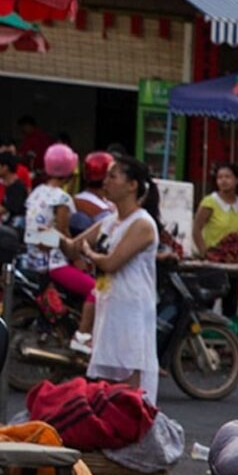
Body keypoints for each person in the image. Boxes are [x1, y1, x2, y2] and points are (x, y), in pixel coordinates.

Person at [60, 155, 160, 405]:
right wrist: (52, 229)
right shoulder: (109, 221)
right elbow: (73, 247)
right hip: (109, 304)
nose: (106, 182)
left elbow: (111, 262)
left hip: (132, 307)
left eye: (113, 176)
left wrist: (89, 253)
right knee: (109, 378)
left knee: (130, 373)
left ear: (132, 185)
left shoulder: (142, 224)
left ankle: (131, 425)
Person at [24, 143, 78, 274]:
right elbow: (63, 234)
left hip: (30, 259)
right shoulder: (62, 198)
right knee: (92, 290)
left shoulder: (37, 192)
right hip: (53, 263)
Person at [195, 164, 238, 256]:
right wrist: (204, 253)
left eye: (227, 177)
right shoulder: (210, 202)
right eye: (219, 177)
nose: (223, 181)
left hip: (235, 257)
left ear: (237, 180)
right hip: (214, 256)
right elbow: (196, 229)